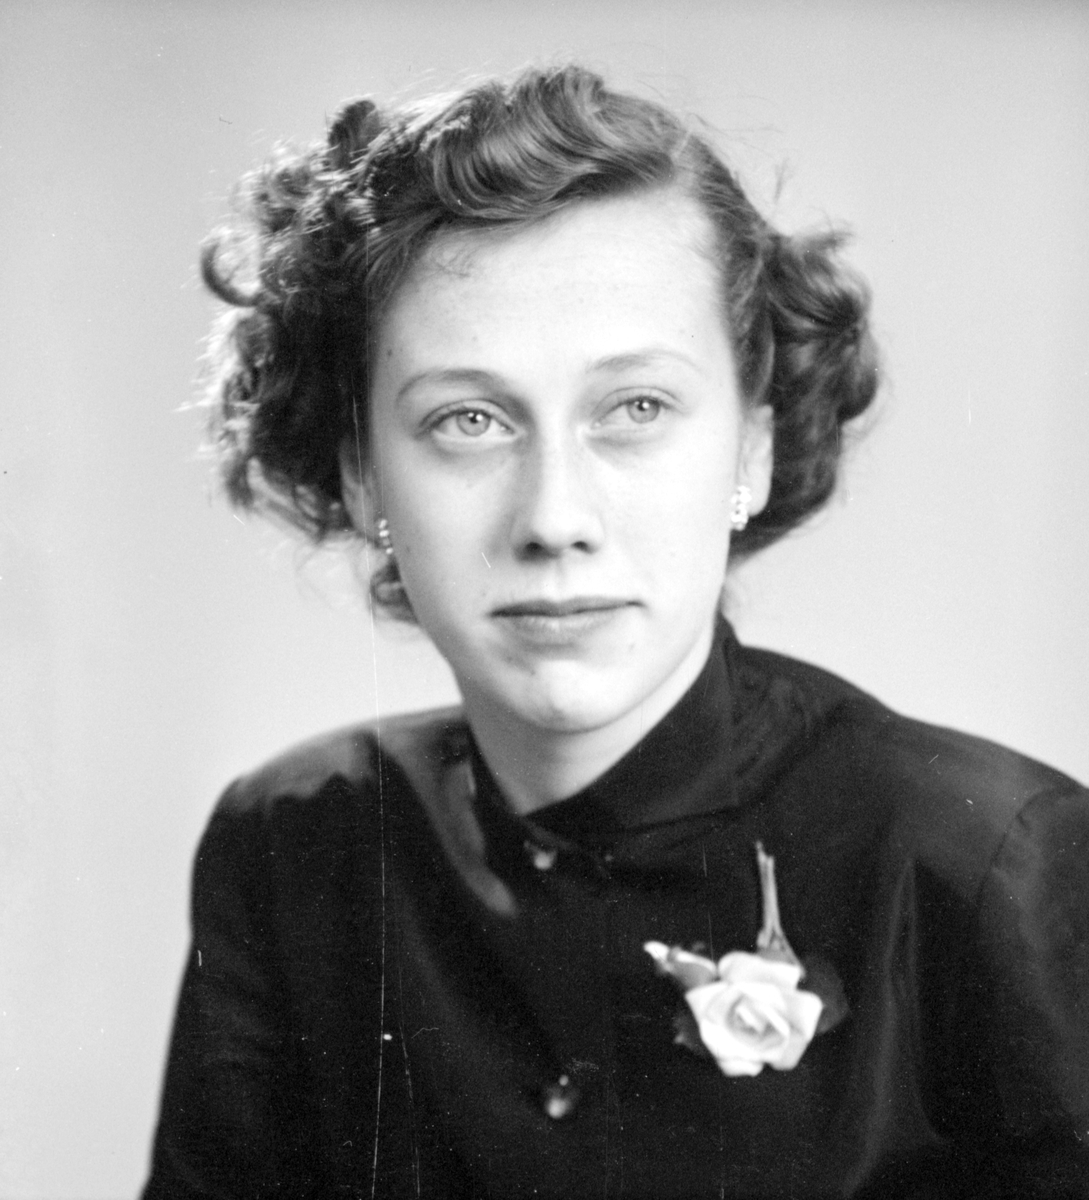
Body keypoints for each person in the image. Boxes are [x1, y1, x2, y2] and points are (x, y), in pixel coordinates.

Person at [142, 65, 1089, 1198]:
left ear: (752, 450)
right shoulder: (297, 845)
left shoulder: (990, 864)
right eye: (468, 420)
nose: (554, 519)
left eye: (635, 408)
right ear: (360, 475)